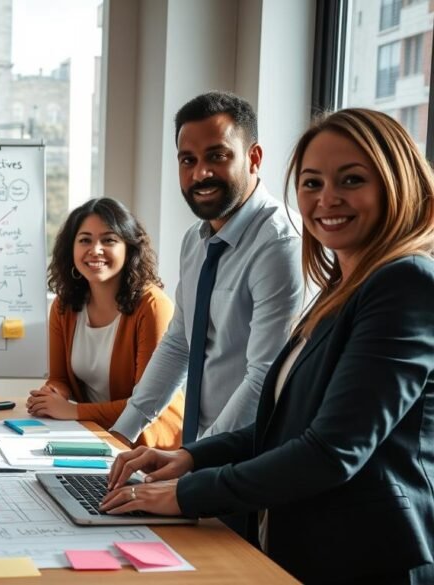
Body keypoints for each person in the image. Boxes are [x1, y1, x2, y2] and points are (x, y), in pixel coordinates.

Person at [101, 108, 434, 584]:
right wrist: (192, 457)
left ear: (395, 183)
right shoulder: (342, 288)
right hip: (304, 544)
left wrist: (186, 492)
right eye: (312, 182)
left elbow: (331, 451)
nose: (327, 199)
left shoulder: (405, 282)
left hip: (369, 558)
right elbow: (284, 423)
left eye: (352, 179)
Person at [111, 91, 303, 448]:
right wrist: (120, 435)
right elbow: (179, 345)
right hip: (206, 449)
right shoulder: (195, 240)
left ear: (254, 158)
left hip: (252, 452)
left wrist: (194, 458)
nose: (200, 173)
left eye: (217, 156)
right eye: (188, 160)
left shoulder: (280, 243)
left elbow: (265, 376)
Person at [25, 197, 184, 448]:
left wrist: (71, 411)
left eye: (109, 240)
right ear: (71, 249)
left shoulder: (153, 306)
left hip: (149, 444)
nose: (95, 250)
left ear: (129, 248)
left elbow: (145, 404)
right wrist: (52, 395)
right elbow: (59, 379)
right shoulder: (64, 306)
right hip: (94, 436)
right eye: (85, 240)